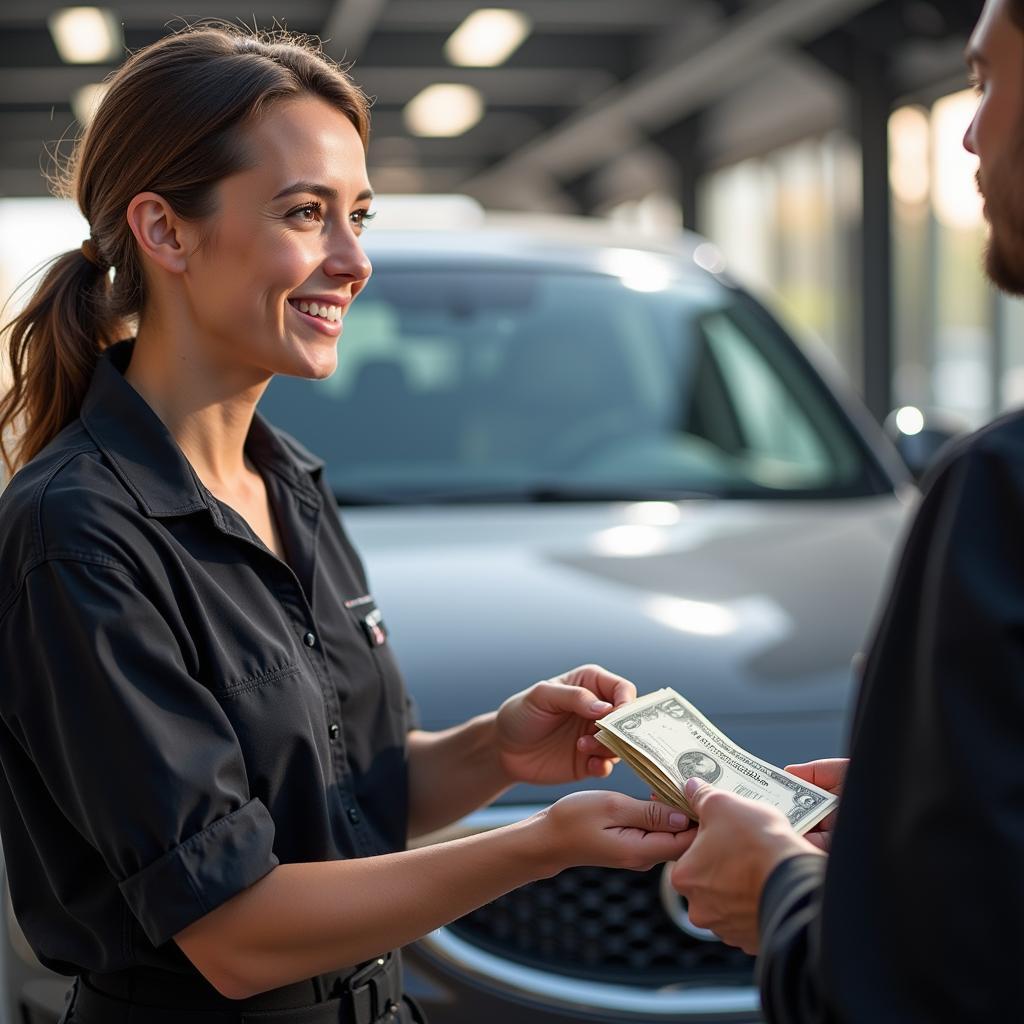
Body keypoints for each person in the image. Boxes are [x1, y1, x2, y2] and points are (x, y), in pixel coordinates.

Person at [0, 25, 694, 1024]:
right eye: (305, 213)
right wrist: (540, 842)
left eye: (357, 215)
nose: (354, 259)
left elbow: (344, 800)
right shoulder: (79, 536)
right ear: (165, 231)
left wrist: (498, 749)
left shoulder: (286, 482)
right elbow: (234, 932)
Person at [667, 0, 1024, 1019]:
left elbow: (913, 989)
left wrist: (776, 886)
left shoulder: (1001, 487)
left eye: (985, 83)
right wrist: (939, 796)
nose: (966, 131)